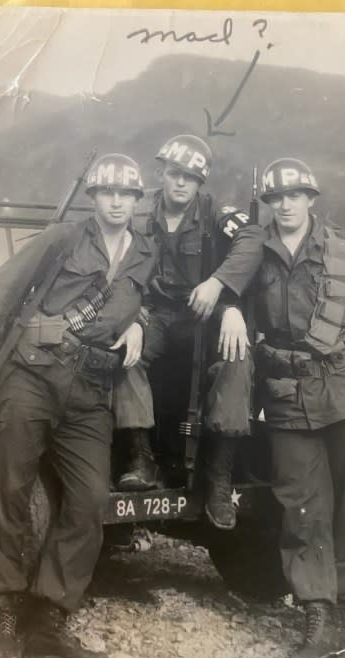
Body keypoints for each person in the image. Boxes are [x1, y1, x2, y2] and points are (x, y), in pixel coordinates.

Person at [0, 153, 156, 658]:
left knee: (92, 499)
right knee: (9, 491)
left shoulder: (144, 252)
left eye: (127, 193)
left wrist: (141, 326)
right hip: (31, 374)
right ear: (94, 196)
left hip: (91, 388)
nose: (116, 201)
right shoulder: (63, 239)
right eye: (107, 192)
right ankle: (4, 617)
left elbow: (150, 305)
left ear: (138, 201)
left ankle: (48, 620)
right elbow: (1, 289)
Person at [237, 157, 345, 658]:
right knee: (301, 506)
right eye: (276, 198)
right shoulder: (254, 256)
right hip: (288, 397)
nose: (285, 205)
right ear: (267, 205)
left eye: (295, 196)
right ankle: (317, 612)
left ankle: (342, 610)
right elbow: (238, 308)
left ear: (311, 199)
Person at [113, 134, 262, 530]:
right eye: (175, 174)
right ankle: (141, 457)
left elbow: (252, 239)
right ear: (161, 173)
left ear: (200, 183)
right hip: (156, 314)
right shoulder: (139, 211)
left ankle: (218, 475)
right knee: (125, 355)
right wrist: (132, 316)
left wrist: (220, 288)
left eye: (191, 178)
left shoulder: (216, 212)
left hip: (205, 312)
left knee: (237, 360)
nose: (181, 183)